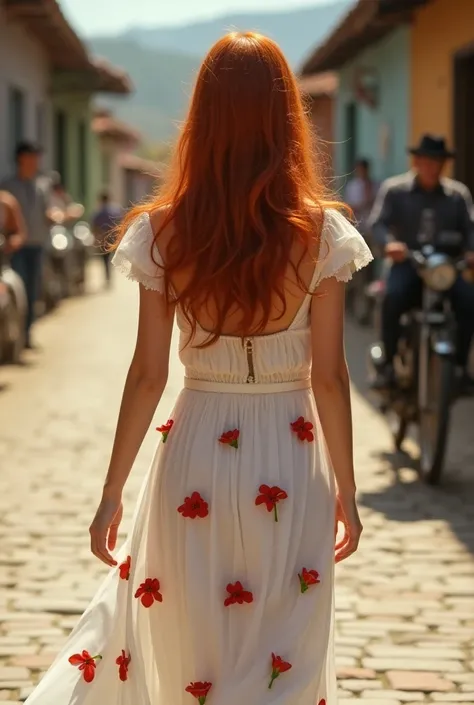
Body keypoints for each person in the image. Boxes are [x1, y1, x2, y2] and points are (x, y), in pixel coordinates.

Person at [24, 33, 371, 705]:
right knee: (283, 652)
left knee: (194, 652)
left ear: (202, 117)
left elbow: (147, 375)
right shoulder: (322, 234)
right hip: (292, 455)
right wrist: (348, 492)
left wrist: (110, 494)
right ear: (285, 117)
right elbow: (329, 375)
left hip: (195, 452)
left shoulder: (162, 231)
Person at [369, 134, 474, 390]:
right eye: (427, 161)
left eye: (438, 162)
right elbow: (377, 224)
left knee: (469, 301)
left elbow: (471, 229)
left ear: (444, 164)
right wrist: (390, 244)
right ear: (416, 161)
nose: (432, 167)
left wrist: (471, 251)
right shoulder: (395, 191)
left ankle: (459, 368)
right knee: (393, 297)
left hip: (445, 269)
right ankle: (388, 363)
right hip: (407, 265)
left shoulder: (457, 195)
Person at [0, 142, 50, 348]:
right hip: (14, 250)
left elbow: (45, 213)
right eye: (32, 156)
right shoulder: (8, 186)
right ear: (21, 158)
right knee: (15, 290)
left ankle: (26, 335)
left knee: (31, 292)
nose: (35, 161)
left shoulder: (41, 186)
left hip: (36, 245)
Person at [92, 190, 123, 287]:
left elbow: (94, 226)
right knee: (112, 258)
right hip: (114, 237)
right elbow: (121, 223)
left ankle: (107, 277)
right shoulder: (116, 210)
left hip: (103, 237)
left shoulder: (98, 212)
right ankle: (110, 276)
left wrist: (96, 236)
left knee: (105, 259)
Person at [344, 158, 377, 236]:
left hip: (371, 221)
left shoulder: (375, 185)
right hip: (358, 221)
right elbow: (349, 205)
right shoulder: (352, 186)